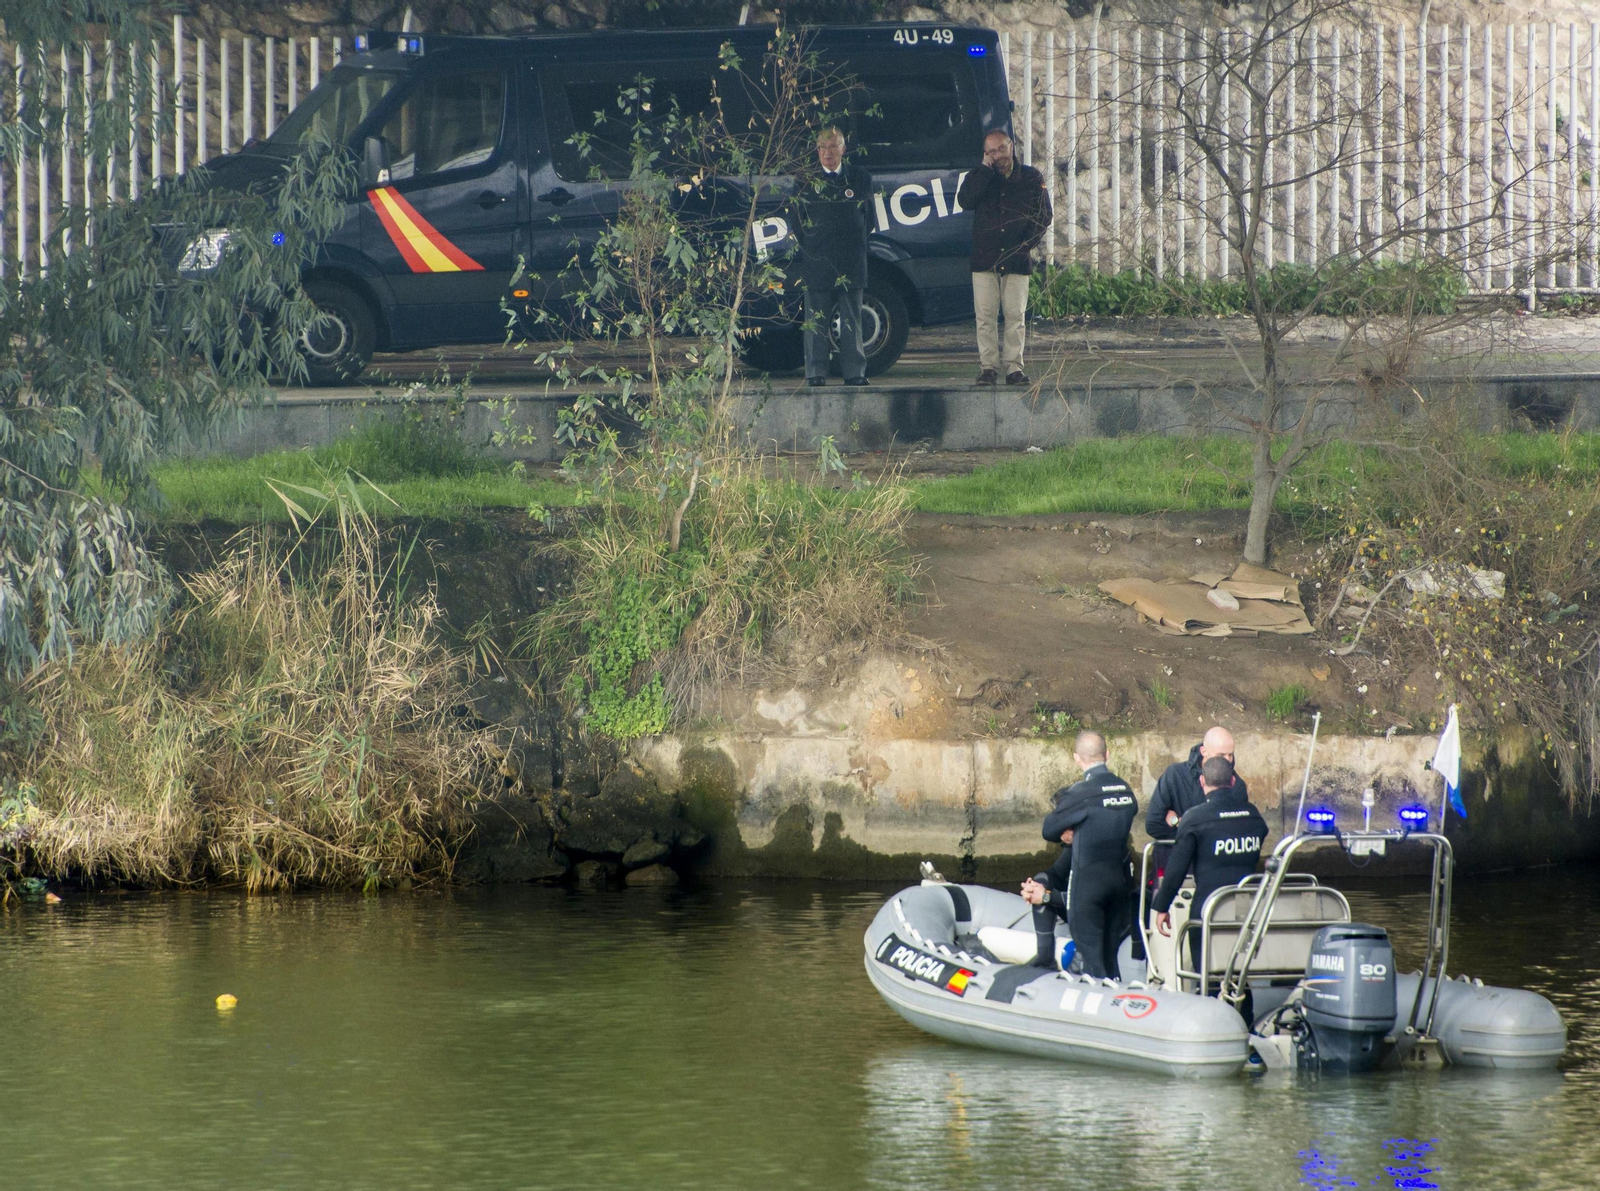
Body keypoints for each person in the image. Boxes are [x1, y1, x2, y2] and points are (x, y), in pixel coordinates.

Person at [1021, 729, 1138, 978]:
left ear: (1076, 758)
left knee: (1093, 965)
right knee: (1109, 961)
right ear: (1107, 754)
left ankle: (1086, 991)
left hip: (1088, 889)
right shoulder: (1126, 790)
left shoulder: (1082, 792)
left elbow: (1048, 829)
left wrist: (1046, 897)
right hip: (1118, 887)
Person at [1150, 754, 1270, 985]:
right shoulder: (1254, 815)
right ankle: (1242, 1006)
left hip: (1207, 908)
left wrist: (1162, 906)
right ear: (1233, 782)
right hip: (1246, 909)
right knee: (1239, 974)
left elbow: (1176, 868)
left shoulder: (1195, 818)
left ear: (1202, 782)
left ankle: (1213, 1002)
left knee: (1206, 973)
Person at [955, 128, 1052, 386]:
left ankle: (1014, 368)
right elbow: (965, 200)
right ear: (985, 154)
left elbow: (1044, 214)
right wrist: (984, 171)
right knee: (985, 318)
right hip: (984, 259)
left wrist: (1026, 244)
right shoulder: (979, 176)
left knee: (1015, 316)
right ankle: (988, 368)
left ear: (1011, 146)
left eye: (1001, 148)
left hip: (1016, 258)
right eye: (991, 151)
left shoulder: (1031, 177)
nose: (998, 155)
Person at [792, 127, 872, 388]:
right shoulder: (804, 180)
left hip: (851, 260)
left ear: (843, 149)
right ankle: (816, 373)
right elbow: (797, 221)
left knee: (852, 320)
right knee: (816, 321)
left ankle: (854, 372)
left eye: (833, 146)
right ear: (817, 150)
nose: (828, 152)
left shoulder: (860, 178)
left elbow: (868, 219)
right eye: (823, 147)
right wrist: (813, 246)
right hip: (817, 260)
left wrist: (854, 244)